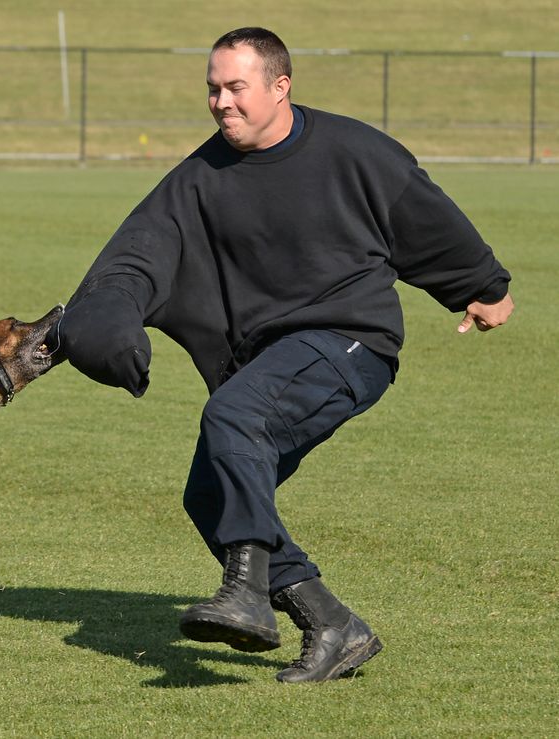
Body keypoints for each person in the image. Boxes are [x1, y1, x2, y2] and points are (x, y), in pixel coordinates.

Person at [54, 27, 514, 683]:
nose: (220, 102)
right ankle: (333, 624)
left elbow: (424, 217)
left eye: (235, 86)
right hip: (268, 360)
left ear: (280, 86)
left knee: (232, 417)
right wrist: (106, 324)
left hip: (351, 342)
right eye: (212, 88)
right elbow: (132, 261)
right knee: (210, 493)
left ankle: (246, 593)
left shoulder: (353, 151)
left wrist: (482, 287)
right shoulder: (197, 180)